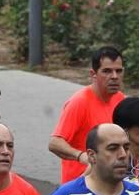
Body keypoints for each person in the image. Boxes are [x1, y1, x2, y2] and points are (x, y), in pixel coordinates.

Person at [48, 46, 127, 183]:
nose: (114, 76)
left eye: (118, 71)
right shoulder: (80, 102)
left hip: (109, 184)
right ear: (93, 74)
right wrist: (81, 156)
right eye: (107, 71)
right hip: (81, 187)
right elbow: (54, 143)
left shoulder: (120, 99)